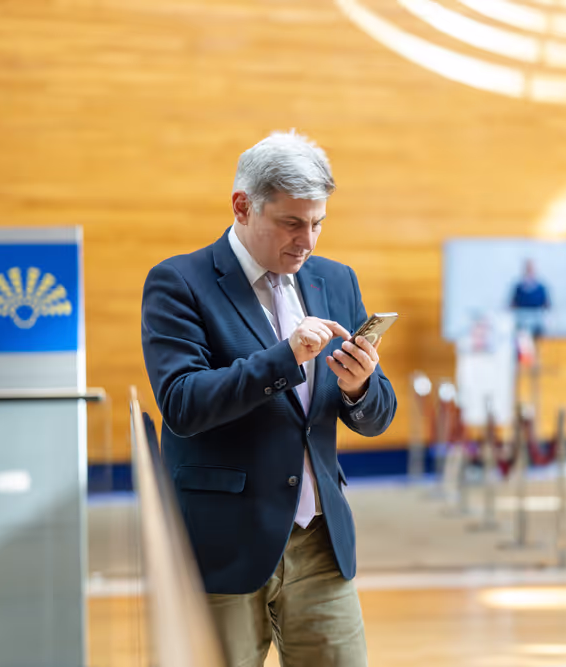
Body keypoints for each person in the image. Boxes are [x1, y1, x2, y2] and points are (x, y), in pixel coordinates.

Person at [141, 131, 397, 667]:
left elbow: (377, 416)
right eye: (292, 223)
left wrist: (359, 386)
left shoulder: (335, 280)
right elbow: (183, 404)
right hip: (225, 543)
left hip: (320, 542)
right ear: (242, 206)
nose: (308, 241)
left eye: (318, 222)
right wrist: (285, 358)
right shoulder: (178, 282)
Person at [510, 259, 550, 339]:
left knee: (538, 336)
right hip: (522, 317)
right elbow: (513, 303)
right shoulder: (519, 287)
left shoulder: (540, 287)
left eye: (531, 269)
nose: (530, 271)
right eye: (528, 268)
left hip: (537, 317)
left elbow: (547, 304)